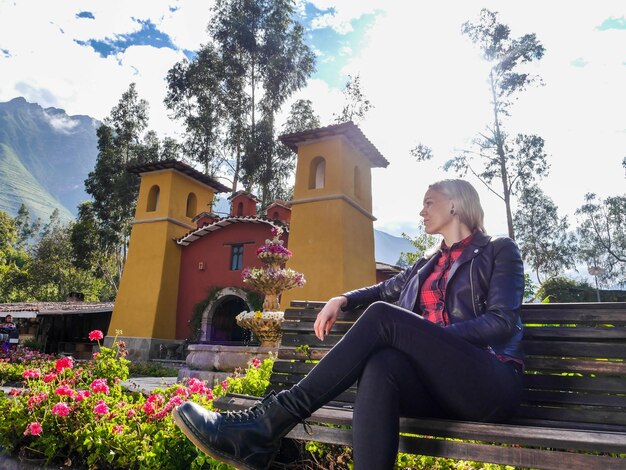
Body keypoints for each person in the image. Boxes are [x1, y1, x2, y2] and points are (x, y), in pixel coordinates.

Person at [172, 179, 525, 470]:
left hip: (488, 383)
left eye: (429, 202)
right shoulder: (424, 265)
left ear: (455, 205)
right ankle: (265, 430)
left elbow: (502, 322)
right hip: (437, 390)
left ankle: (267, 426)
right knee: (382, 364)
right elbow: (382, 290)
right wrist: (342, 299)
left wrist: (429, 339)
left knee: (386, 319)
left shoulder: (497, 250)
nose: (421, 211)